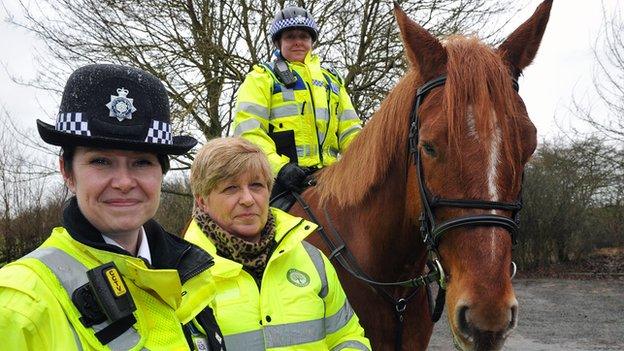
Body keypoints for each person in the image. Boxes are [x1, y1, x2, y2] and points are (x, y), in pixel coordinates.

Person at [0, 64, 224, 350]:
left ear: (161, 173)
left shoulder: (195, 276)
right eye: (101, 161)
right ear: (67, 172)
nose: (123, 182)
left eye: (142, 162)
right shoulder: (19, 305)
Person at [184, 137, 371, 351]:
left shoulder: (313, 260)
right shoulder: (182, 276)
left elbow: (346, 336)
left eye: (256, 186)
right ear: (202, 201)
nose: (247, 199)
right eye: (231, 188)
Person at [233, 6, 362, 196]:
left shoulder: (332, 82)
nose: (298, 42)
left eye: (304, 36)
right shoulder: (261, 78)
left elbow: (351, 131)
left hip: (331, 177)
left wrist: (364, 163)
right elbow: (249, 132)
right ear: (278, 42)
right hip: (282, 182)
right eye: (290, 37)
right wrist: (279, 168)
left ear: (312, 42)